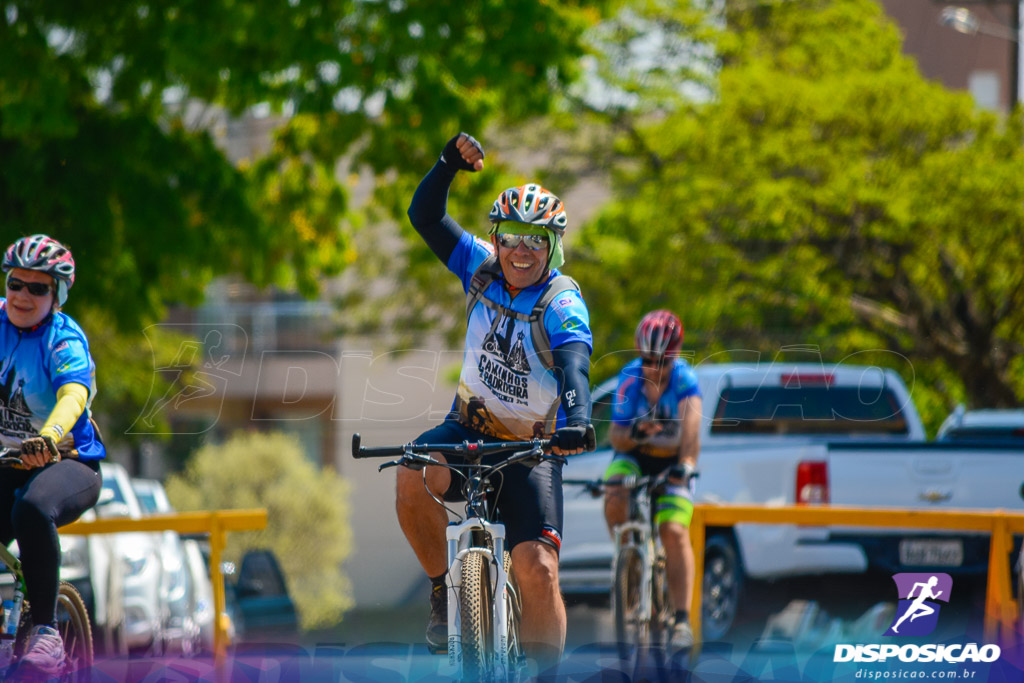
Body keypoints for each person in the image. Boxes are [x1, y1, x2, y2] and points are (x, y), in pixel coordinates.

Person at [398, 133, 593, 670]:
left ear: (553, 245)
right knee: (410, 471)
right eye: (511, 237)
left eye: (536, 239)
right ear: (496, 238)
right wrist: (446, 164)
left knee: (538, 569)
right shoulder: (480, 267)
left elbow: (575, 362)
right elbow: (425, 216)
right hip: (467, 429)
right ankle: (443, 593)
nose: (521, 250)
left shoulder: (561, 299)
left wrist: (578, 419)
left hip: (533, 449)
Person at [0, 234, 104, 675]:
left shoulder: (63, 339)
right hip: (7, 461)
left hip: (66, 461)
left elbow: (73, 394)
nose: (23, 295)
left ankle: (46, 630)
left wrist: (50, 434)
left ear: (56, 293)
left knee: (33, 507)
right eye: (15, 283)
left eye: (37, 288)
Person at [603, 309, 702, 650]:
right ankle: (628, 560)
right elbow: (617, 438)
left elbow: (689, 442)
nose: (653, 368)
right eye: (646, 359)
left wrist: (686, 466)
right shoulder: (629, 378)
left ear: (673, 358)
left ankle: (681, 619)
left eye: (661, 361)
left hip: (672, 462)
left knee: (674, 531)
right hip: (634, 457)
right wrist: (636, 433)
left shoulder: (686, 382)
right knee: (613, 492)